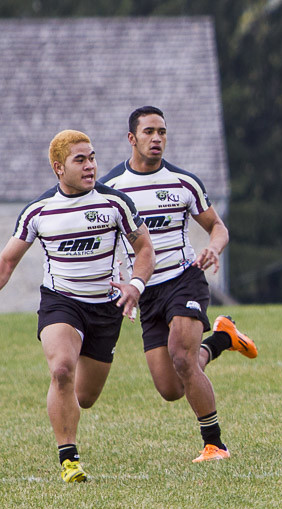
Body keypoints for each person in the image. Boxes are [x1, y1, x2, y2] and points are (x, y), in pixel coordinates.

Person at [100, 106, 258, 463]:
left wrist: (214, 248)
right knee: (171, 387)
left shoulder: (183, 183)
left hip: (184, 279)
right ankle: (223, 338)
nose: (157, 138)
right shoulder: (111, 190)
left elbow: (218, 227)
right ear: (132, 138)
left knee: (183, 357)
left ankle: (215, 444)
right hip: (146, 292)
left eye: (162, 132)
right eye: (149, 132)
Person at [0, 130, 154, 482]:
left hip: (105, 308)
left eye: (92, 158)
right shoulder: (38, 211)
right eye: (80, 160)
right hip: (61, 302)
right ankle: (69, 459)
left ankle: (69, 413)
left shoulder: (115, 204)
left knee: (85, 396)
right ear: (59, 168)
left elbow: (145, 249)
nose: (90, 166)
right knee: (61, 371)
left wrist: (135, 284)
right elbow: (6, 262)